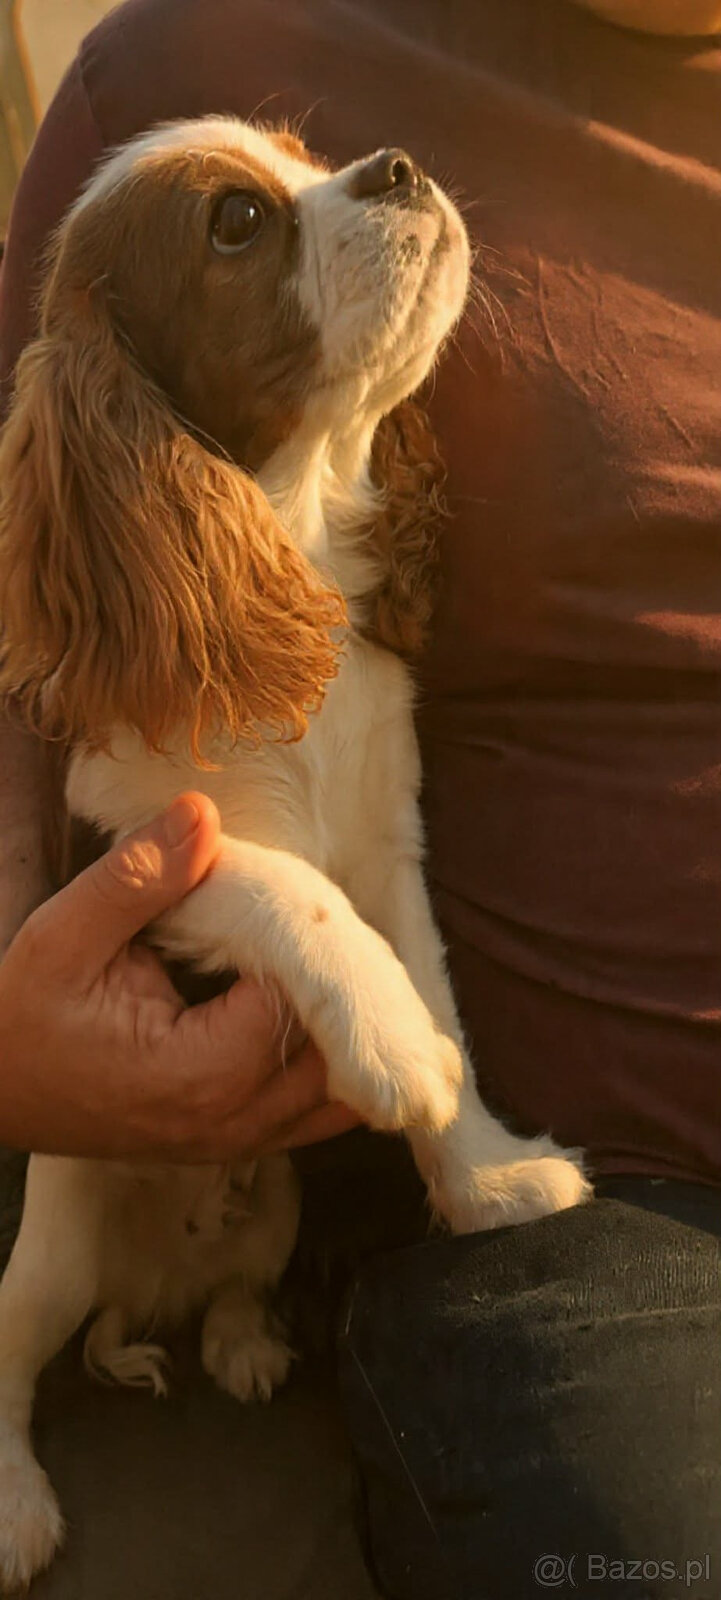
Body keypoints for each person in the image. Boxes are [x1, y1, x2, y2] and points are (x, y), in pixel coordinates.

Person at [0, 1, 719, 1596]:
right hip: (621, 1229)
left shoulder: (360, 590)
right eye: (254, 216)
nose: (371, 182)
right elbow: (49, 647)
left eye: (307, 176)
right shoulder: (181, 59)